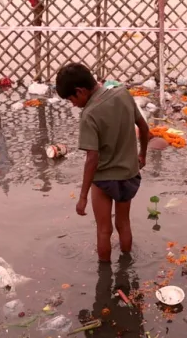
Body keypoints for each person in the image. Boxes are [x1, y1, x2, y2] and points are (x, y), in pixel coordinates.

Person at [55, 63, 149, 262]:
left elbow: (92, 158)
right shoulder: (123, 93)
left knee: (103, 231)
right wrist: (142, 156)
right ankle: (126, 263)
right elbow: (143, 126)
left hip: (104, 179)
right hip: (129, 175)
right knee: (124, 224)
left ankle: (104, 275)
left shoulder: (89, 114)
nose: (72, 104)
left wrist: (82, 196)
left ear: (80, 91)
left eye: (71, 99)